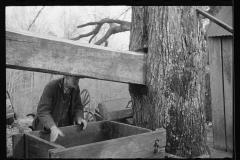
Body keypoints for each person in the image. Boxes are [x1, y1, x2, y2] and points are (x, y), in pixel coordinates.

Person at [32, 75, 87, 142]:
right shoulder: (51, 87)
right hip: (45, 129)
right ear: (67, 76)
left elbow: (78, 106)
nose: (78, 81)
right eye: (76, 78)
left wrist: (79, 118)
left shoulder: (75, 88)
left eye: (79, 78)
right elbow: (43, 111)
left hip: (64, 128)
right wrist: (52, 126)